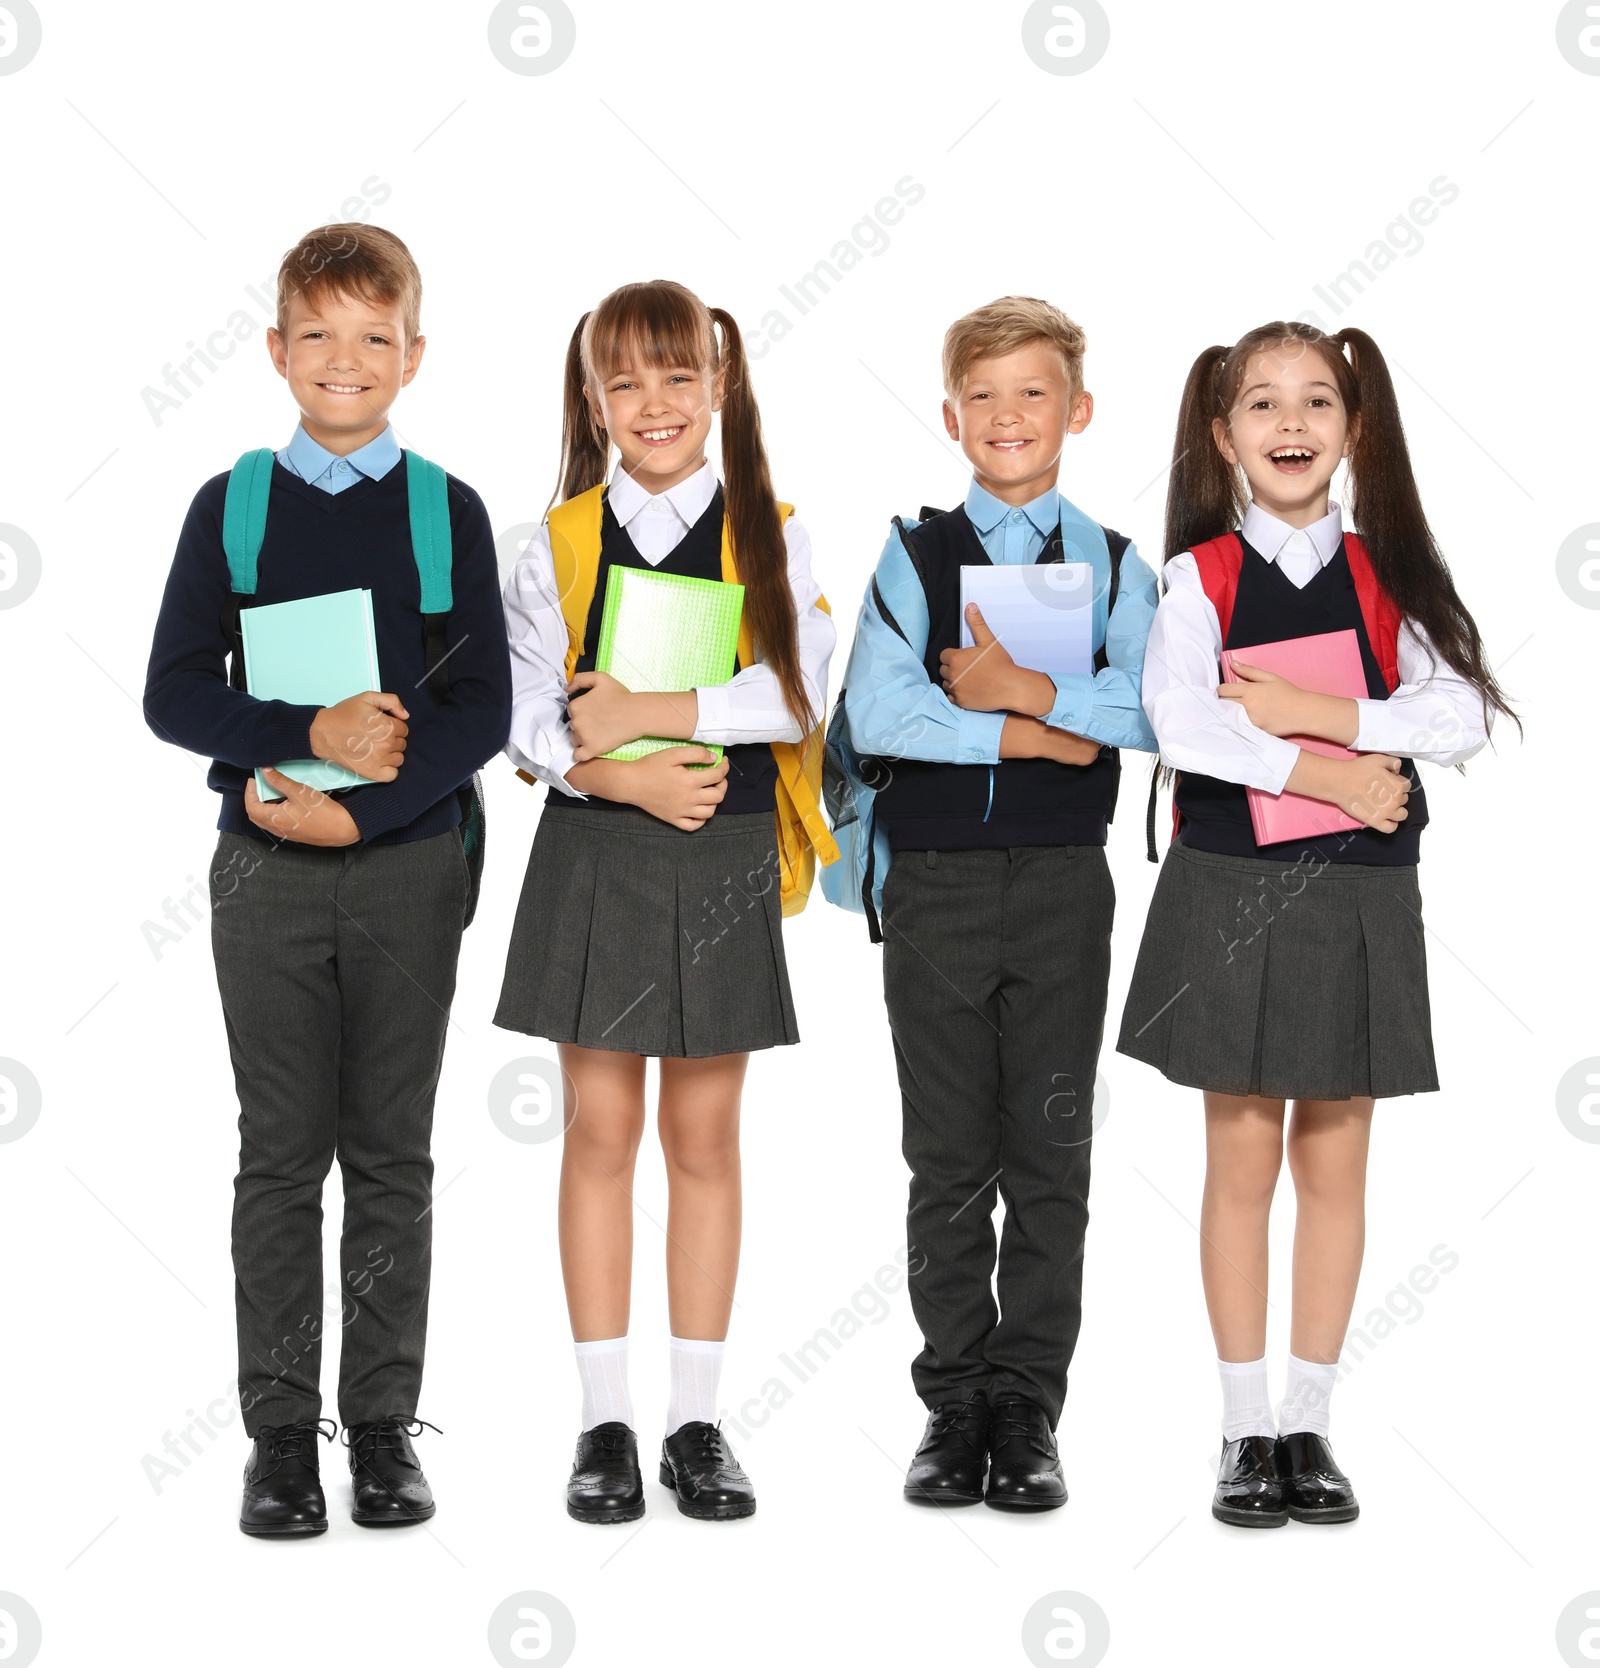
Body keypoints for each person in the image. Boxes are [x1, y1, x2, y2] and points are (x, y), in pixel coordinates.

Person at [143, 223, 511, 1536]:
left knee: (392, 1153)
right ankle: (281, 1436)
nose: (344, 362)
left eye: (374, 337)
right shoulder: (232, 504)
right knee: (281, 1155)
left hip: (408, 870)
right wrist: (305, 744)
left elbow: (477, 707)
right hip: (263, 879)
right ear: (276, 349)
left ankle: (383, 1430)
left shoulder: (442, 511)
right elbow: (173, 692)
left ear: (414, 353)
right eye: (318, 335)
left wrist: (367, 816)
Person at [1117, 321, 1513, 1526]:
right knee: (1239, 1161)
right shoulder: (1196, 578)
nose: (1290, 426)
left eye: (1317, 404)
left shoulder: (1396, 567)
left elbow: (1454, 716)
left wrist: (1320, 708)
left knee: (1333, 1161)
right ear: (1221, 432)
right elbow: (1183, 727)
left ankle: (1309, 1424)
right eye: (1262, 406)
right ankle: (1242, 1429)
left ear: (1354, 428)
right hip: (1232, 886)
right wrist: (1334, 765)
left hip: (1357, 894)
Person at [497, 279, 835, 1523]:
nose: (654, 404)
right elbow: (527, 708)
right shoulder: (555, 538)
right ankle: (603, 1423)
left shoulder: (775, 531)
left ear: (720, 386)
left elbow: (796, 696)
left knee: (703, 1139)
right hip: (600, 844)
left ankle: (695, 1418)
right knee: (597, 1134)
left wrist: (651, 716)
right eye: (625, 381)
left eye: (677, 376)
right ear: (593, 399)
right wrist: (612, 777)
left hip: (726, 841)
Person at [834, 296, 1158, 1510]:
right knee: (948, 1152)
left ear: (1076, 411)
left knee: (1050, 1147)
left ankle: (1027, 1403)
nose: (1008, 416)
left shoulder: (1120, 564)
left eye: (1034, 393)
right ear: (950, 415)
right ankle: (954, 1399)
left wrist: (1020, 689)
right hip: (934, 886)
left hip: (1067, 888)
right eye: (985, 395)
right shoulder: (911, 560)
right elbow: (882, 714)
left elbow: (1152, 714)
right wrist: (1043, 732)